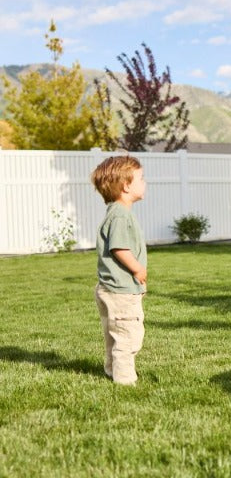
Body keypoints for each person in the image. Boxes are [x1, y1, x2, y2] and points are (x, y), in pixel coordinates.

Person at [91, 155, 148, 385]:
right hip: (120, 290)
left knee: (113, 335)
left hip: (109, 289)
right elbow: (119, 248)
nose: (145, 183)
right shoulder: (121, 215)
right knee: (127, 335)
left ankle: (111, 370)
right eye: (141, 178)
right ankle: (124, 380)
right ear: (126, 186)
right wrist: (138, 270)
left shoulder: (115, 212)